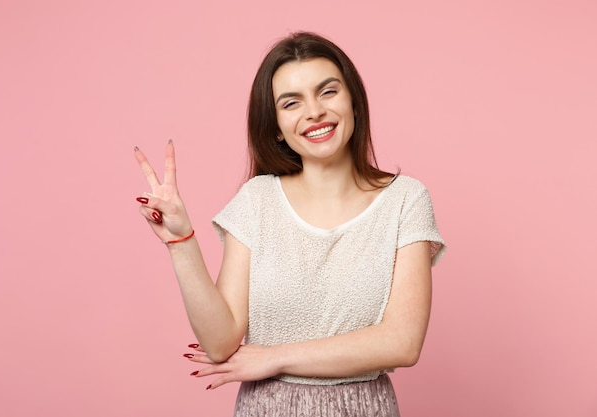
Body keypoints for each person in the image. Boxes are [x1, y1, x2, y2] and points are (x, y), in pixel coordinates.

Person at [134, 31, 445, 417]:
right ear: (277, 127)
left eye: (327, 92)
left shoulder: (405, 199)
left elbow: (402, 342)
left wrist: (275, 358)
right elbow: (220, 343)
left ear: (353, 102)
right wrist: (181, 241)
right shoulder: (257, 200)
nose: (313, 111)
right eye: (291, 102)